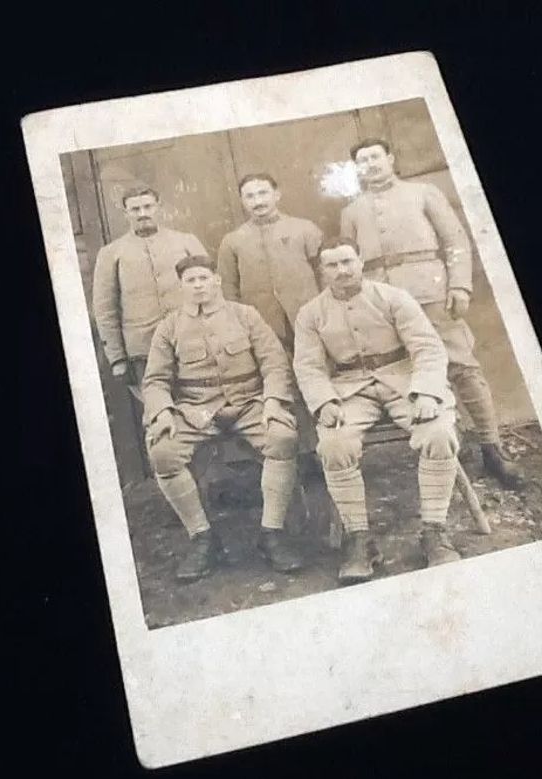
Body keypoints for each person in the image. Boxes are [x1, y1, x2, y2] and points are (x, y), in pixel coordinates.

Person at [341, 139, 524, 489]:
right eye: (362, 161)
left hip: (430, 293)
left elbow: (455, 240)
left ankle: (492, 449)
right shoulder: (351, 211)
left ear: (391, 159)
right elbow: (351, 262)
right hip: (384, 303)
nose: (371, 165)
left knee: (463, 367)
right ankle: (438, 451)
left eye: (376, 157)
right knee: (406, 372)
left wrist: (459, 286)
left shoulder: (423, 192)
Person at [293, 238, 462, 586]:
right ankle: (359, 540)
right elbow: (308, 366)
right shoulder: (311, 313)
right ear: (321, 271)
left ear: (361, 261)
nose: (341, 271)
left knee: (439, 433)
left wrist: (428, 391)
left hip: (405, 380)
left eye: (347, 262)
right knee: (334, 445)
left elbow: (427, 348)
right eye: (332, 265)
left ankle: (434, 531)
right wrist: (323, 402)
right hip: (350, 388)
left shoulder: (393, 297)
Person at [142, 254, 303, 582]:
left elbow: (274, 363)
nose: (199, 285)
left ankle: (271, 533)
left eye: (204, 278)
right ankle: (202, 538)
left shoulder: (246, 316)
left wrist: (273, 402)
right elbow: (155, 380)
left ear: (216, 280)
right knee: (163, 452)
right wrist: (161, 411)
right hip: (197, 409)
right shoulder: (169, 326)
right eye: (191, 281)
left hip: (249, 403)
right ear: (181, 286)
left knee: (283, 438)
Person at [92, 185, 208, 392]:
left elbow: (211, 291)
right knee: (159, 411)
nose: (143, 214)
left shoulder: (186, 241)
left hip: (193, 340)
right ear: (125, 213)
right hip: (143, 352)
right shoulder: (111, 254)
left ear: (158, 207)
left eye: (148, 207)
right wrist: (117, 358)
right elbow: (105, 310)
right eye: (135, 209)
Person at [217, 173, 323, 351]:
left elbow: (324, 274)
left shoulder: (305, 229)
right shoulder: (232, 241)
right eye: (249, 196)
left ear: (277, 194)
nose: (257, 201)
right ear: (242, 201)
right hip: (263, 324)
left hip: (309, 318)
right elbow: (228, 288)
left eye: (263, 193)